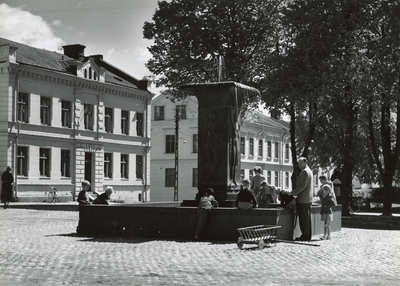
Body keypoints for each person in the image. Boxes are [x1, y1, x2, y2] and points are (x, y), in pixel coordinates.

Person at [289, 157, 313, 241]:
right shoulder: (309, 171)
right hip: (308, 199)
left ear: (305, 162)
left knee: (304, 219)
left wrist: (292, 193)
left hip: (303, 199)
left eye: (300, 163)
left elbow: (302, 186)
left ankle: (305, 236)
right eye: (298, 163)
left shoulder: (304, 172)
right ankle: (307, 235)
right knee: (307, 218)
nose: (299, 165)